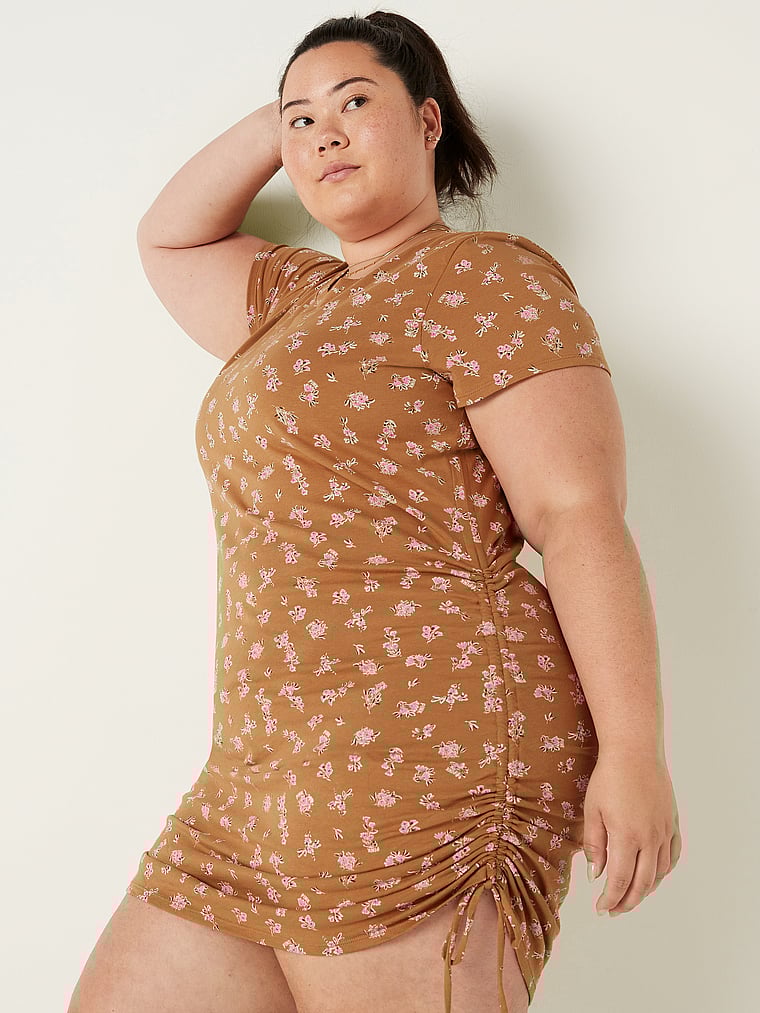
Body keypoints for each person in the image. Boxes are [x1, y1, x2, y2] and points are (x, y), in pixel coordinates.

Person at [68, 11, 681, 1013]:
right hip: (258, 768)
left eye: (358, 103)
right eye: (301, 121)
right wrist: (294, 118)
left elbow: (577, 517)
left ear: (428, 121)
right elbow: (169, 236)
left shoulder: (490, 278)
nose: (325, 134)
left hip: (430, 746)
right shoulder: (291, 299)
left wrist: (635, 749)